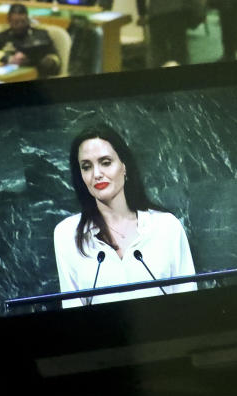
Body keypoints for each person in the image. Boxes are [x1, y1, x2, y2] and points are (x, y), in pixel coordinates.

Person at [54, 124, 197, 308]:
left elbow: (188, 303)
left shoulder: (166, 226)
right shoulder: (67, 235)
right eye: (86, 166)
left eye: (105, 162)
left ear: (124, 167)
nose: (97, 174)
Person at [0, 3, 60, 76]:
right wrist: (8, 58)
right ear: (9, 20)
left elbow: (54, 58)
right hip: (7, 74)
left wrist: (36, 60)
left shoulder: (40, 34)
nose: (20, 25)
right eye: (16, 22)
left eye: (23, 21)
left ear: (27, 19)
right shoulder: (1, 34)